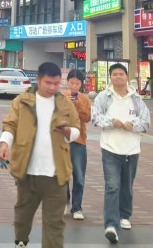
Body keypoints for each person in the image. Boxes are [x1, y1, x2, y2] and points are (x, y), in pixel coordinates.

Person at [0, 62, 81, 248]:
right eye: (48, 83)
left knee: (55, 224)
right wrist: (5, 143)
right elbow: (10, 124)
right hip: (27, 172)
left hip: (56, 174)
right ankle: (21, 241)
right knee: (23, 215)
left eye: (56, 83)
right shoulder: (22, 101)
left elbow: (77, 129)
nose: (52, 87)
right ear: (38, 79)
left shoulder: (65, 103)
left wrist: (67, 131)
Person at [92, 63, 151, 244]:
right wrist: (111, 122)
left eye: (121, 74)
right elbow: (96, 118)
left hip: (132, 150)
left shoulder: (137, 99)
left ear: (126, 77)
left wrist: (132, 125)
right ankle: (111, 225)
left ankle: (124, 214)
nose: (118, 77)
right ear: (110, 77)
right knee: (112, 186)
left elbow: (146, 122)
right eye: (114, 74)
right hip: (110, 149)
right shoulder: (103, 97)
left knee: (127, 185)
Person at [62, 69, 92, 220]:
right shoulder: (61, 96)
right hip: (62, 140)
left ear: (81, 84)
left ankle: (77, 207)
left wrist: (79, 105)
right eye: (71, 83)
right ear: (67, 82)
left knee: (79, 176)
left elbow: (87, 118)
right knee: (62, 175)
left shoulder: (85, 99)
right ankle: (64, 201)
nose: (74, 86)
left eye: (77, 83)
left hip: (79, 141)